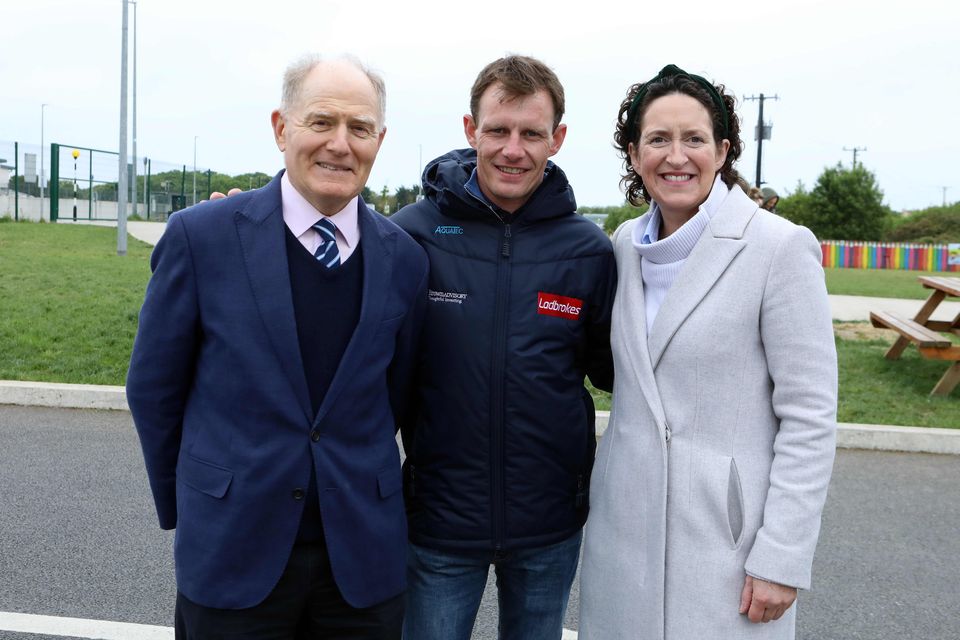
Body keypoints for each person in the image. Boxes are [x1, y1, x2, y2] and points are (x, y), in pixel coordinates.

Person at [126, 54, 428, 639]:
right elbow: (154, 388)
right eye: (321, 122)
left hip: (360, 569)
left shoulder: (405, 259)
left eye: (360, 128)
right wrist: (194, 505)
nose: (340, 144)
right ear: (280, 128)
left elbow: (401, 395)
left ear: (379, 140)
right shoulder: (201, 238)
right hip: (232, 553)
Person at [578, 64, 837, 639]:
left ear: (722, 151)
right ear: (634, 152)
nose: (677, 156)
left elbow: (810, 417)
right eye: (658, 139)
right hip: (624, 540)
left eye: (694, 139)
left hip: (728, 552)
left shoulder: (779, 248)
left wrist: (781, 556)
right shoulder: (623, 247)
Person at [390, 55, 616, 640]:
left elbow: (615, 368)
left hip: (549, 525)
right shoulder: (411, 236)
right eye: (498, 130)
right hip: (439, 521)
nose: (512, 149)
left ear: (557, 139)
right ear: (471, 131)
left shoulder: (588, 251)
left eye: (531, 133)